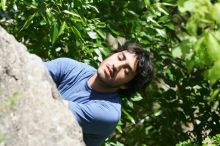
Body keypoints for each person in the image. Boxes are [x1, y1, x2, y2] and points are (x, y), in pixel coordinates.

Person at [45, 43, 153, 146]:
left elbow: (53, 107)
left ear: (126, 85)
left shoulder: (108, 113)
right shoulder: (68, 67)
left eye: (126, 70)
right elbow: (30, 72)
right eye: (120, 58)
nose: (117, 65)